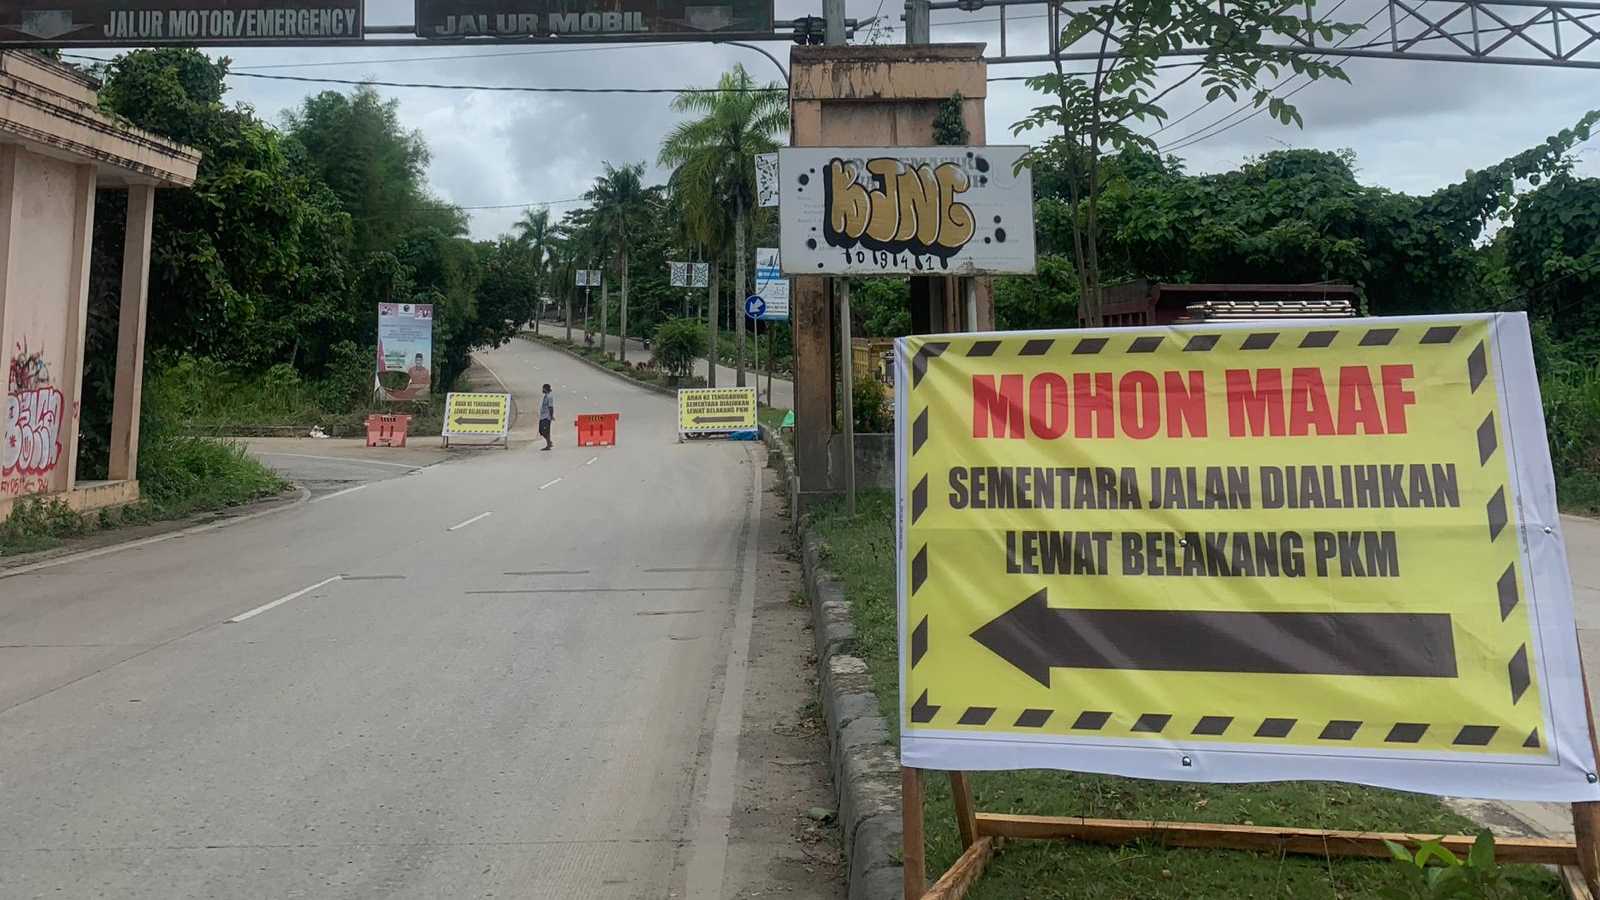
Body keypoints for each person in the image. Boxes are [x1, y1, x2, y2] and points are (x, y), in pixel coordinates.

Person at [538, 383, 554, 450]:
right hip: (542, 416)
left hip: (546, 417)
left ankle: (548, 445)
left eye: (543, 388)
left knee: (545, 431)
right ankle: (549, 442)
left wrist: (551, 416)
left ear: (546, 389)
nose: (542, 390)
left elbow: (551, 407)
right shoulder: (546, 396)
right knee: (541, 431)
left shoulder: (549, 397)